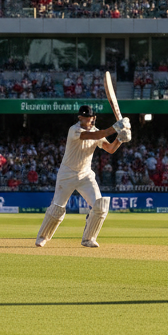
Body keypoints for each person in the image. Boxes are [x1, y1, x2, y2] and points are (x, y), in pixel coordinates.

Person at [34, 104, 130, 248]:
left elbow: (110, 149)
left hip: (85, 175)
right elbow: (91, 136)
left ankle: (88, 239)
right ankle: (42, 237)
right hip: (67, 174)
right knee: (57, 208)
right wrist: (115, 128)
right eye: (84, 118)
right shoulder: (74, 130)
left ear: (93, 118)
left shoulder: (97, 131)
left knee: (101, 205)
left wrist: (120, 139)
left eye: (89, 117)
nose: (88, 120)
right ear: (80, 118)